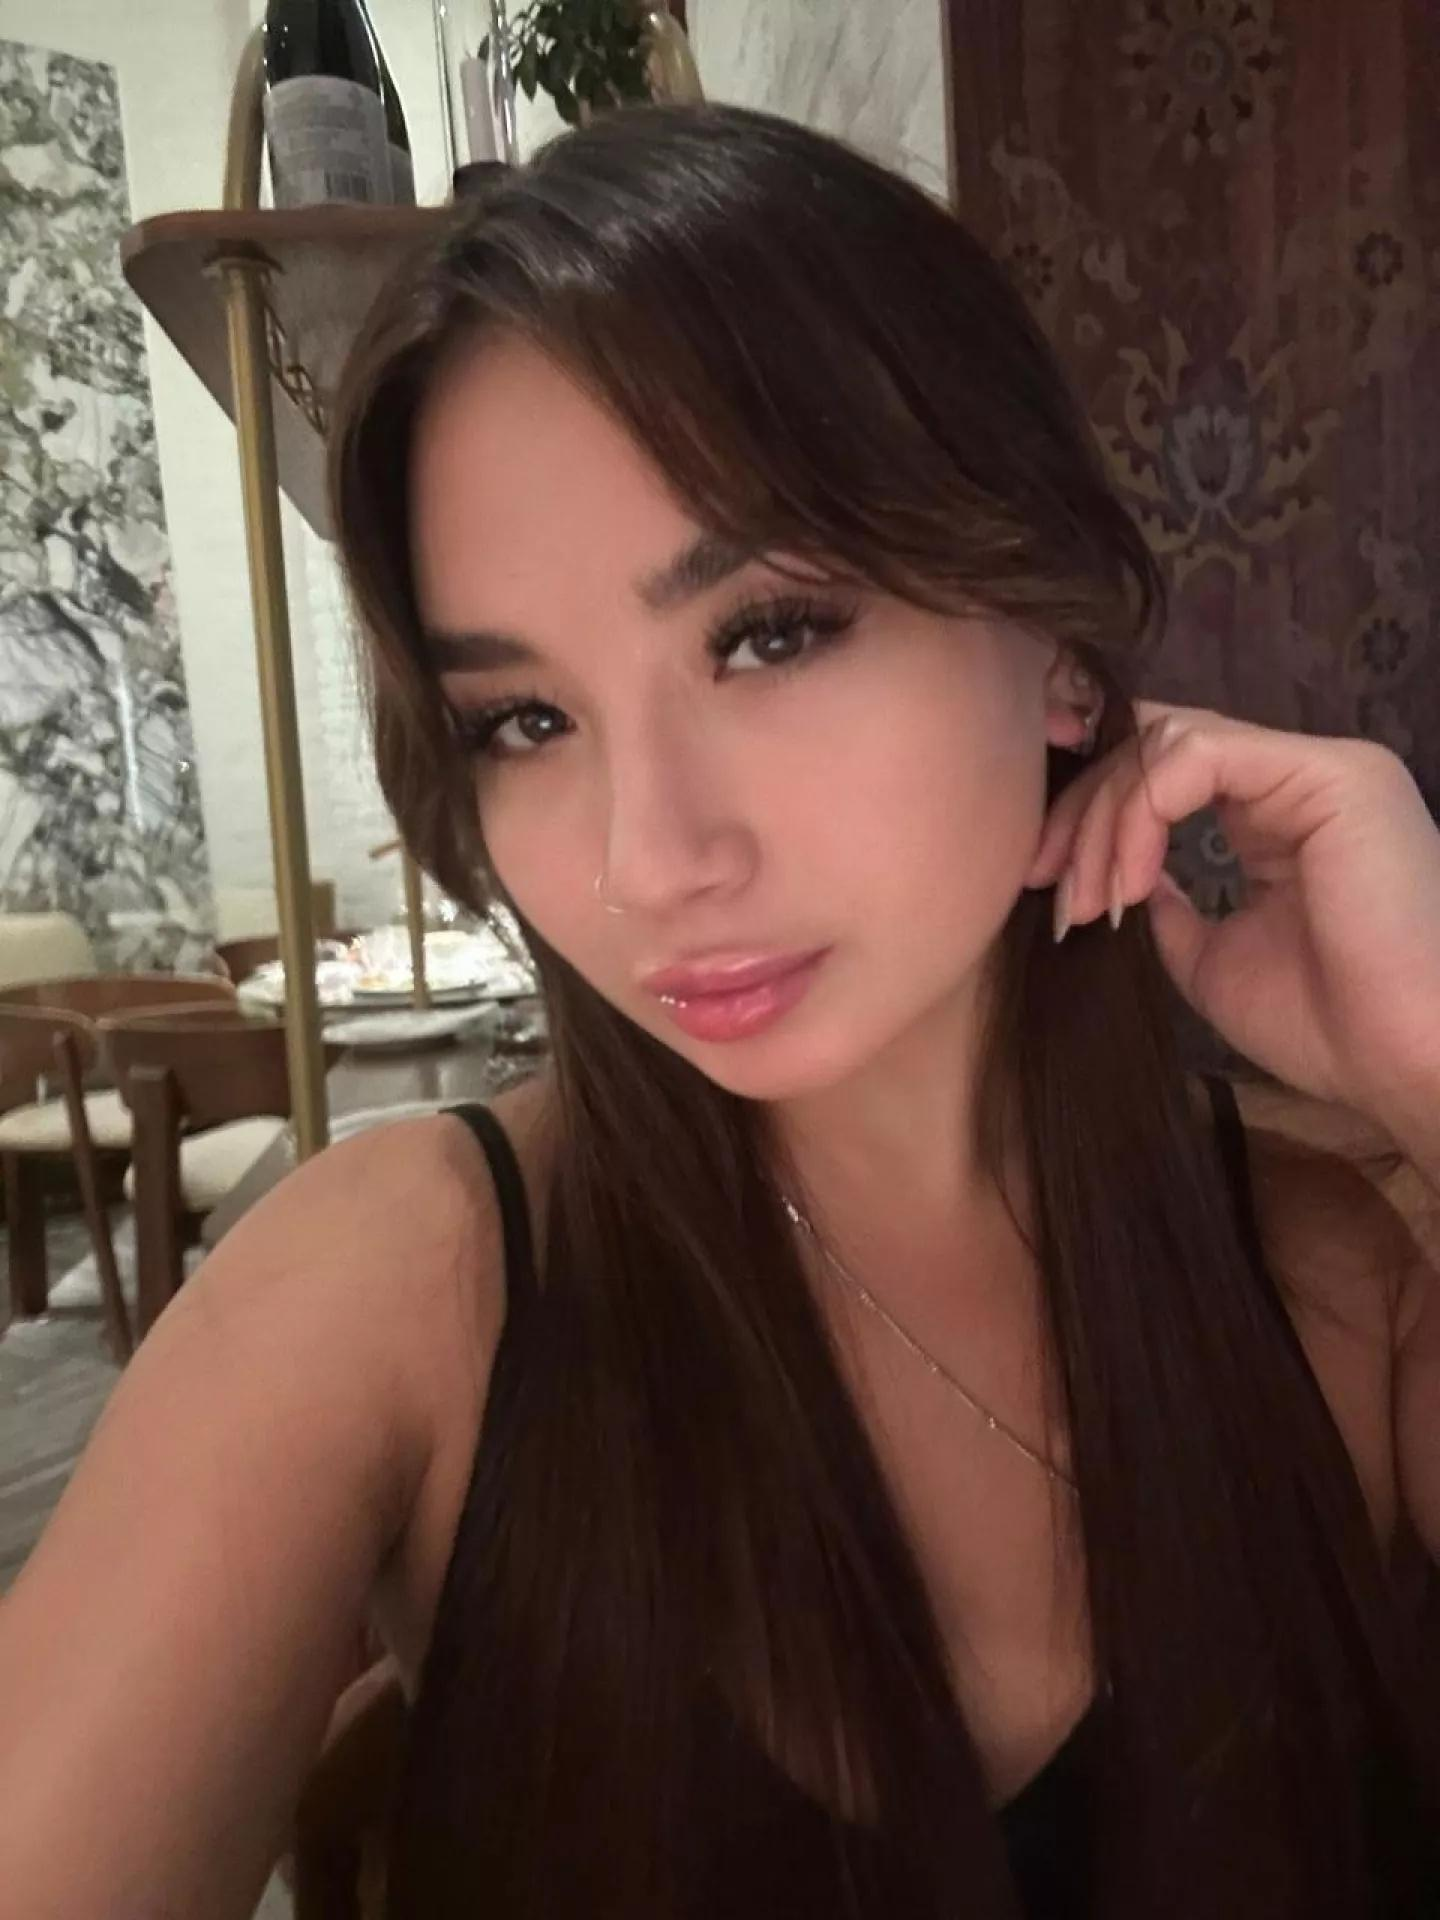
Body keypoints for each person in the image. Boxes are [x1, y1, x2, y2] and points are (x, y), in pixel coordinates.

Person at [3, 101, 1438, 1920]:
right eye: (526, 720)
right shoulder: (397, 1296)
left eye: (769, 632)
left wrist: (1431, 1059)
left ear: (1063, 649)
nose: (648, 859)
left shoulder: (1333, 1286)